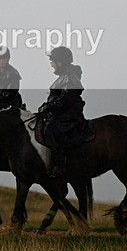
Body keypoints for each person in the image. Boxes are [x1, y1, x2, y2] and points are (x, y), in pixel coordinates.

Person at [38, 46, 87, 178]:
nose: (52, 64)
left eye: (53, 61)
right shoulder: (65, 75)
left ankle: (59, 165)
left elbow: (65, 98)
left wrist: (49, 107)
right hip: (62, 112)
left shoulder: (70, 76)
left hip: (69, 114)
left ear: (61, 62)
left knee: (52, 129)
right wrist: (46, 106)